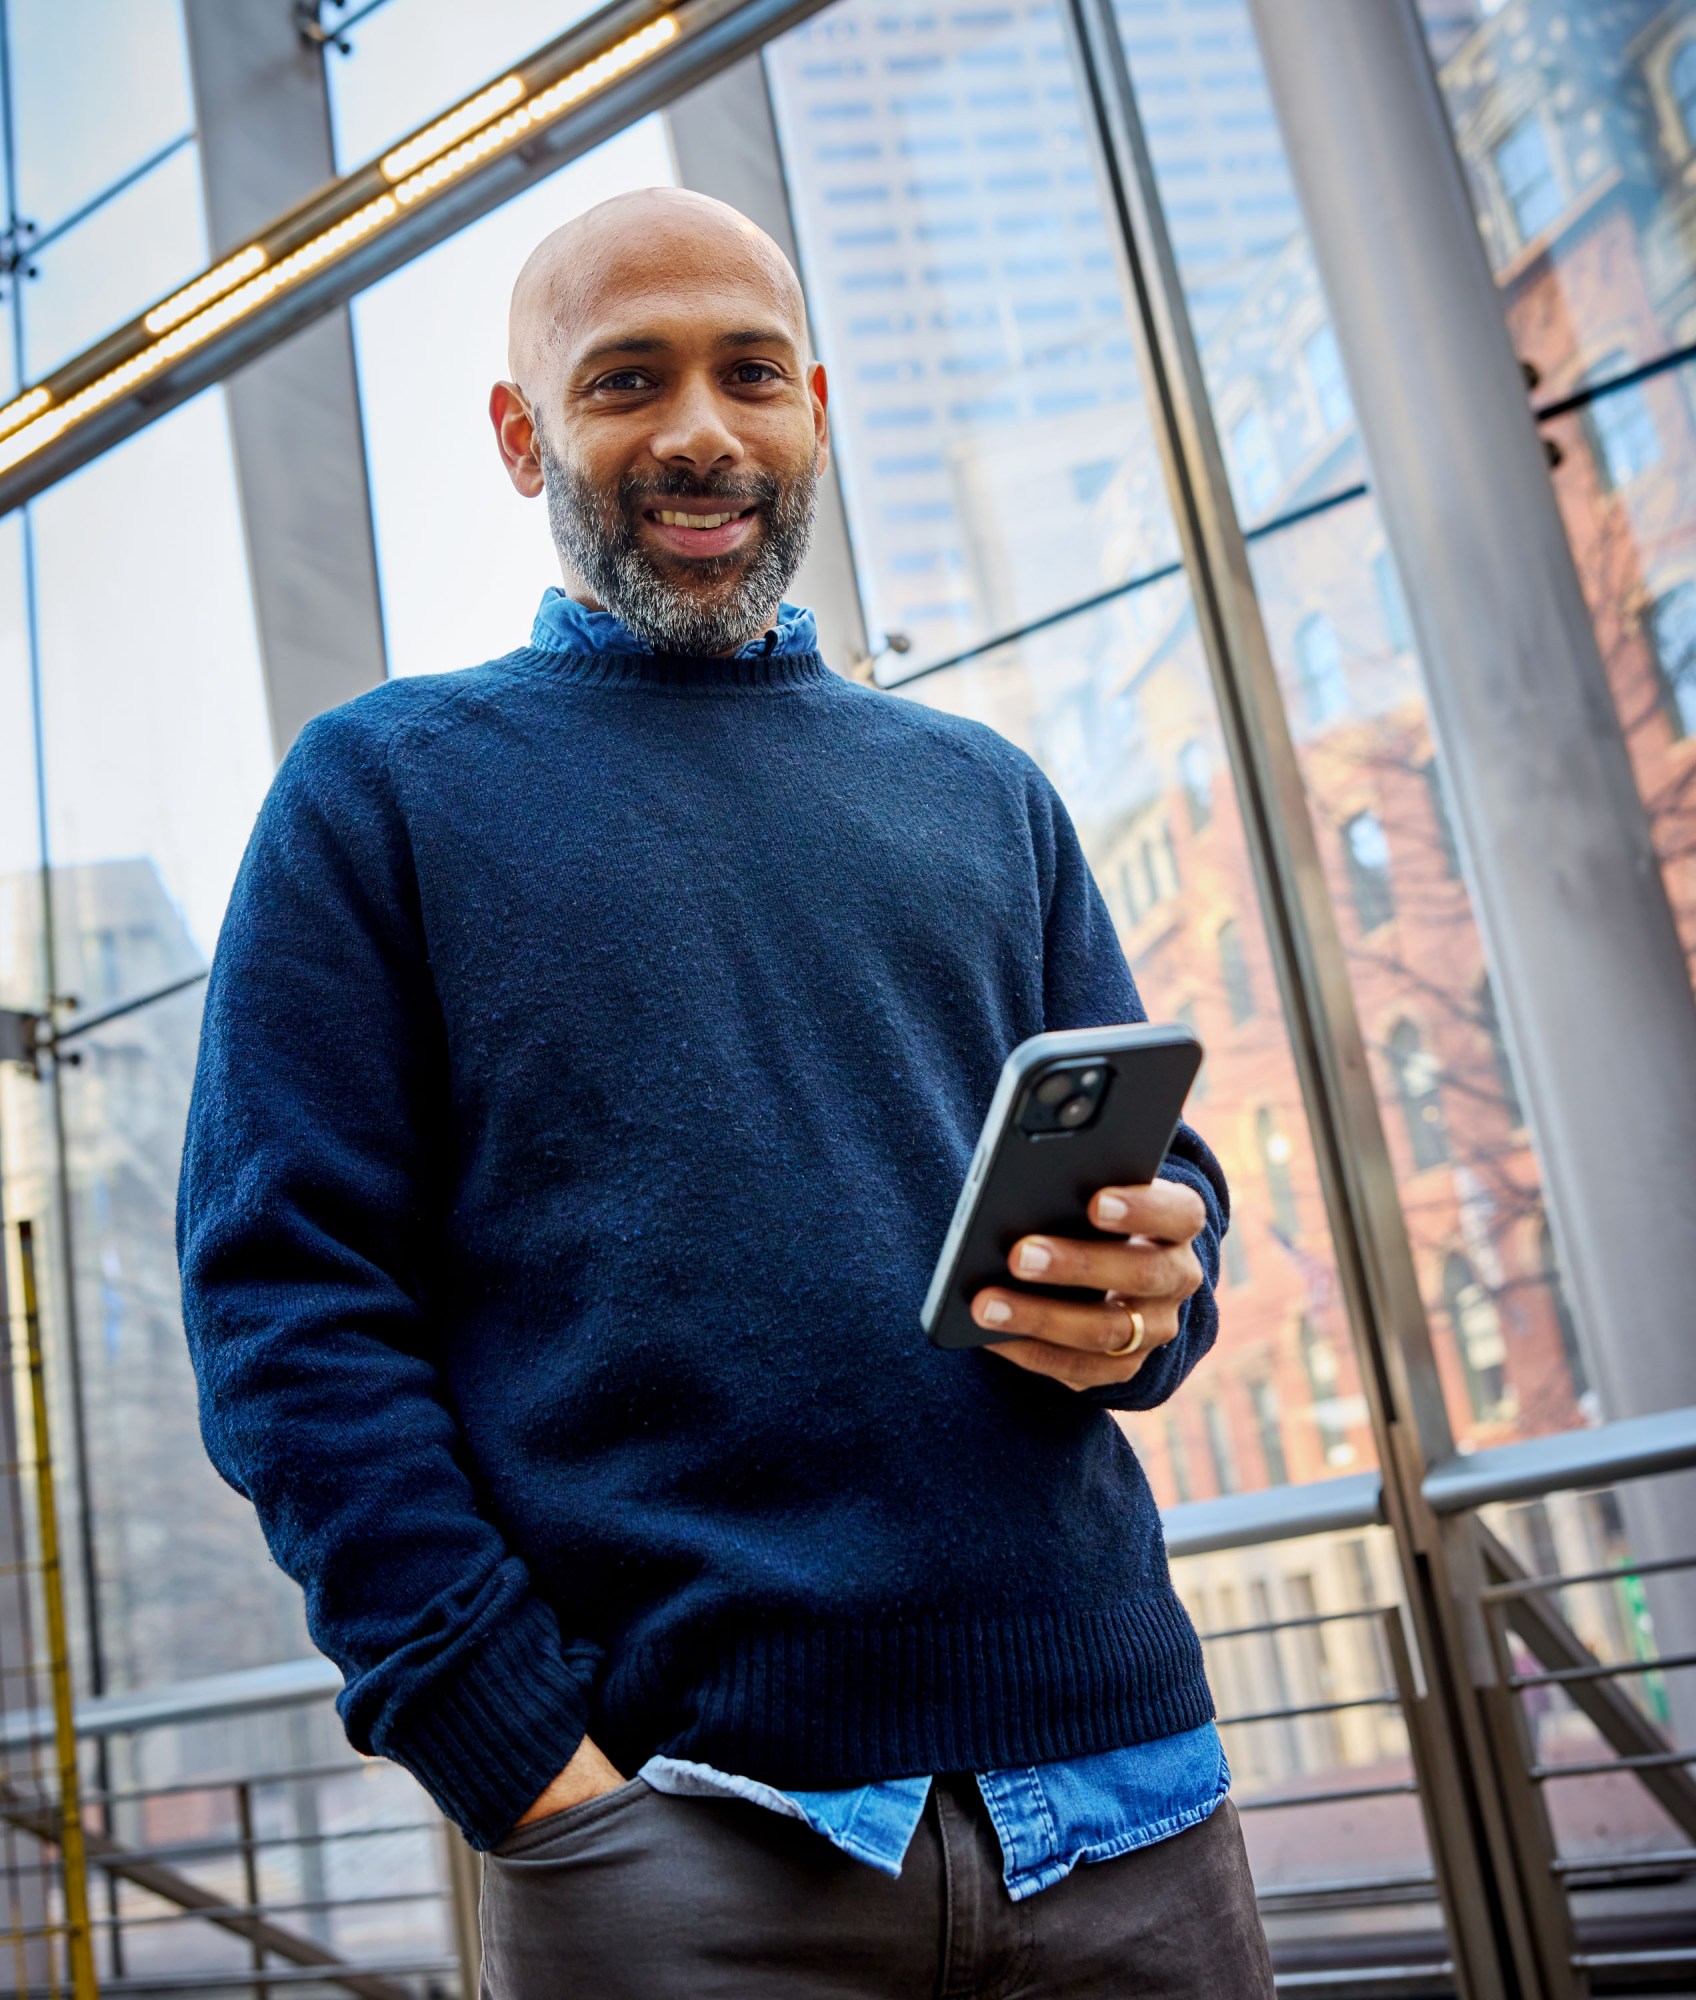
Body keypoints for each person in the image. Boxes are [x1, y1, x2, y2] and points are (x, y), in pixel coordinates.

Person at [177, 187, 1273, 1997]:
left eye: (749, 373)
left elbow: (1164, 1208)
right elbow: (284, 1312)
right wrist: (525, 1771)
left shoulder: (986, 791)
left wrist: (1157, 1283)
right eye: (626, 379)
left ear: (815, 409)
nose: (700, 430)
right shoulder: (379, 793)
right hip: (679, 1842)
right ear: (526, 434)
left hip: (1132, 1806)